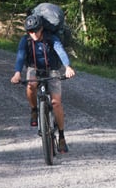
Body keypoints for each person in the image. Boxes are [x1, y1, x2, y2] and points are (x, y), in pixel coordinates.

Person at [10, 13, 76, 153]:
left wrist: (68, 67)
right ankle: (34, 110)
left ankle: (62, 137)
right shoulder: (26, 40)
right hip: (34, 67)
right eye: (30, 31)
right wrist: (17, 73)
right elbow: (21, 56)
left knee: (56, 103)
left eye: (35, 30)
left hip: (52, 69)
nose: (33, 33)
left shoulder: (51, 38)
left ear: (41, 29)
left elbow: (60, 51)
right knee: (30, 85)